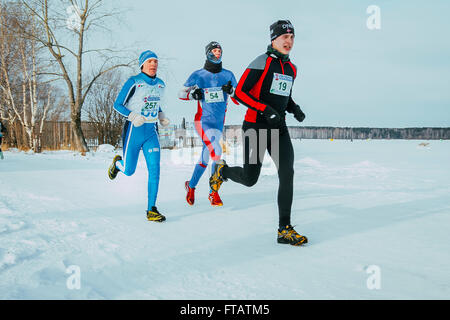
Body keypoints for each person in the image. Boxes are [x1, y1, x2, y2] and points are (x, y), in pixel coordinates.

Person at [209, 20, 308, 246]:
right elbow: (240, 94)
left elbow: (283, 97)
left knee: (287, 173)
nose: (289, 41)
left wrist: (294, 108)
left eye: (292, 37)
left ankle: (284, 229)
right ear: (273, 39)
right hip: (256, 128)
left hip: (279, 129)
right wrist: (265, 109)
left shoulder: (292, 68)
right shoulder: (261, 62)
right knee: (250, 179)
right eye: (285, 37)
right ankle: (222, 171)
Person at [108, 50, 170, 222]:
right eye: (149, 61)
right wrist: (132, 116)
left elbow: (154, 103)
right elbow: (117, 105)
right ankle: (117, 164)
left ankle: (151, 209)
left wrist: (161, 115)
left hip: (151, 132)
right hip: (134, 130)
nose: (153, 64)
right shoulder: (134, 82)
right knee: (129, 170)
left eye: (155, 61)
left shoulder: (161, 84)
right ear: (142, 64)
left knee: (155, 170)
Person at [179, 41, 238, 206]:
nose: (218, 53)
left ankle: (190, 186)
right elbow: (180, 94)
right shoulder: (199, 75)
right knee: (217, 151)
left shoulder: (228, 75)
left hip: (218, 124)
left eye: (220, 50)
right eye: (214, 50)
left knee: (206, 157)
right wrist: (193, 95)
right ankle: (214, 192)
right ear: (208, 53)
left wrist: (231, 92)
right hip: (202, 121)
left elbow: (239, 97)